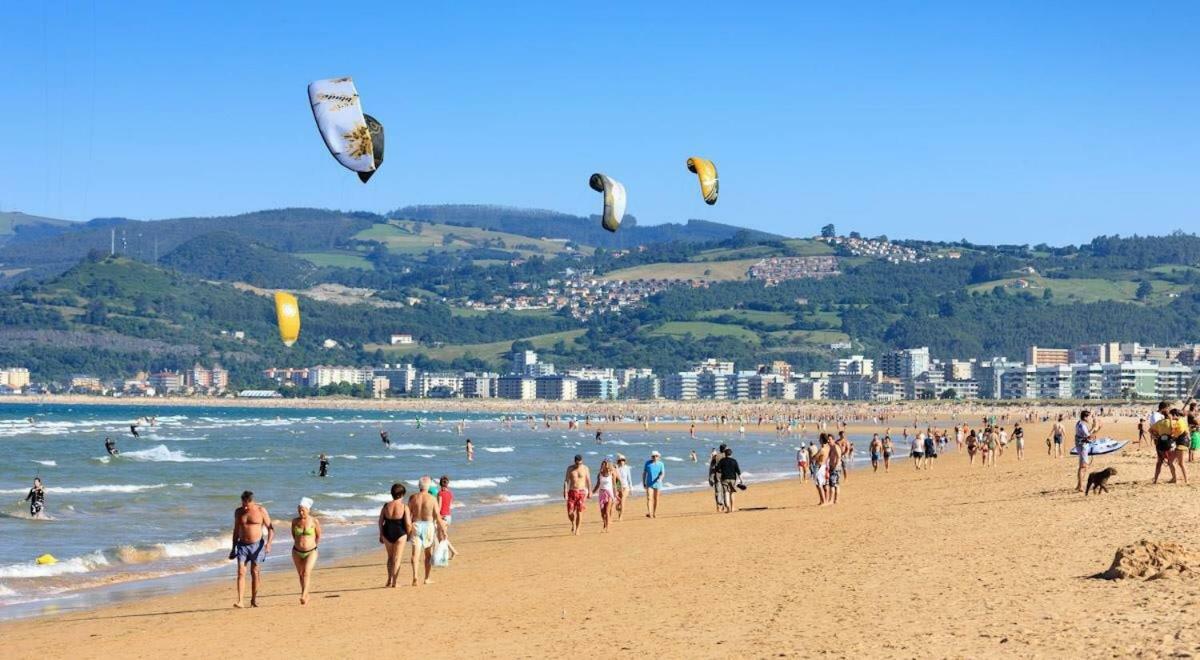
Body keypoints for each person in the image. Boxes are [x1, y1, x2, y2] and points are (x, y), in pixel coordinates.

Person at [230, 490, 273, 608]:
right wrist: (233, 548)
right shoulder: (238, 512)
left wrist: (268, 544)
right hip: (242, 545)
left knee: (254, 572)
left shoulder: (261, 511)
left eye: (246, 505)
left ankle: (254, 599)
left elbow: (270, 528)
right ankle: (240, 601)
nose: (244, 507)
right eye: (242, 504)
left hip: (257, 546)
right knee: (240, 572)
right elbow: (235, 530)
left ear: (252, 502)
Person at [408, 476, 443, 585]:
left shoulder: (413, 498)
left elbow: (408, 514)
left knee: (415, 554)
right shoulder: (432, 498)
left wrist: (408, 528)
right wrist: (443, 530)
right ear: (429, 486)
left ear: (419, 486)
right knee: (428, 554)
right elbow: (437, 516)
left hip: (416, 525)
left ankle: (415, 577)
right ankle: (426, 578)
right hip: (428, 526)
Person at [378, 483, 411, 588]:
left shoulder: (386, 506)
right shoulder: (404, 507)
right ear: (402, 494)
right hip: (400, 533)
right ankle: (395, 582)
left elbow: (380, 521)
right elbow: (408, 524)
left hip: (387, 533)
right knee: (397, 558)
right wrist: (409, 534)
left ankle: (389, 579)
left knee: (390, 558)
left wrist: (381, 534)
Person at [290, 497, 321, 605]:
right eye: (299, 510)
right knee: (300, 574)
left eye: (303, 510)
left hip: (311, 551)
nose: (300, 512)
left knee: (307, 572)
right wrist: (300, 544)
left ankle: (303, 595)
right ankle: (306, 594)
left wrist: (312, 546)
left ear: (308, 510)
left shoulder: (314, 521)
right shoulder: (295, 521)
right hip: (296, 551)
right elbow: (294, 535)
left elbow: (318, 536)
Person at [1150, 401, 1179, 485]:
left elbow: (1151, 430)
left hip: (1160, 442)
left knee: (1160, 461)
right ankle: (1174, 478)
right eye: (1168, 408)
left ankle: (1155, 479)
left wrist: (1157, 436)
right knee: (1169, 462)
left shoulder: (1159, 419)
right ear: (1165, 408)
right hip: (1168, 442)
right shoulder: (1159, 417)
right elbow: (1174, 430)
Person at [563, 455, 591, 535]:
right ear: (575, 461)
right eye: (577, 463)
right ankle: (573, 523)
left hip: (582, 492)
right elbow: (566, 481)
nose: (579, 465)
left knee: (579, 511)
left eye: (580, 463)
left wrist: (590, 491)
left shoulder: (585, 468)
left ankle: (578, 529)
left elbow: (588, 480)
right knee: (570, 513)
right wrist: (565, 491)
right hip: (572, 492)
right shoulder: (570, 469)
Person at [1075, 411, 1101, 493]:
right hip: (1082, 446)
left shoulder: (1079, 423)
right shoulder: (1082, 425)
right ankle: (1080, 486)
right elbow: (1089, 437)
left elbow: (1086, 434)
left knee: (1082, 466)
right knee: (1083, 467)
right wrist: (1097, 428)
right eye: (1089, 417)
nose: (1090, 418)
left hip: (1080, 445)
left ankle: (1079, 485)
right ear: (1085, 417)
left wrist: (1094, 428)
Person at [593, 459, 617, 532]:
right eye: (603, 464)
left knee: (607, 511)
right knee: (602, 513)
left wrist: (615, 495)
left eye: (606, 464)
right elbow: (597, 485)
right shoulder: (599, 474)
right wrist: (592, 492)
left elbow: (615, 485)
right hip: (601, 493)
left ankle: (607, 528)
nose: (604, 465)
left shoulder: (612, 473)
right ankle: (605, 523)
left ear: (608, 465)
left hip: (609, 493)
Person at [715, 448, 742, 513]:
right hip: (733, 479)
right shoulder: (734, 461)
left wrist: (721, 471)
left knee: (726, 493)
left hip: (724, 478)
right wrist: (741, 479)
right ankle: (732, 508)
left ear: (725, 454)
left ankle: (728, 508)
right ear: (731, 454)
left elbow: (718, 469)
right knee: (732, 493)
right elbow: (738, 471)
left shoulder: (722, 460)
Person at [643, 450, 665, 518]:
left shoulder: (661, 464)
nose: (655, 457)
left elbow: (663, 473)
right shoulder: (647, 463)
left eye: (656, 456)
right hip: (649, 484)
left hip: (658, 483)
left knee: (656, 499)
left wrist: (660, 478)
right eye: (653, 456)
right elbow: (644, 473)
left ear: (658, 457)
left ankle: (654, 513)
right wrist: (644, 482)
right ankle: (650, 513)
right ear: (651, 457)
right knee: (649, 498)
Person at [709, 444, 728, 512]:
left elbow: (711, 468)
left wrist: (710, 477)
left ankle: (718, 507)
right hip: (726, 475)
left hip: (717, 475)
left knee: (717, 491)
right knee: (725, 491)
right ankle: (724, 506)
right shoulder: (727, 456)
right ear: (725, 449)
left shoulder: (715, 456)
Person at [614, 454, 633, 521]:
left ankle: (621, 517)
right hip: (618, 486)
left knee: (622, 501)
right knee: (617, 504)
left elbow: (629, 479)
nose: (622, 461)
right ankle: (619, 513)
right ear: (618, 461)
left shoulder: (627, 468)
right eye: (620, 460)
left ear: (625, 461)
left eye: (623, 460)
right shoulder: (616, 468)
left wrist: (631, 488)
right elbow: (614, 478)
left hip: (625, 487)